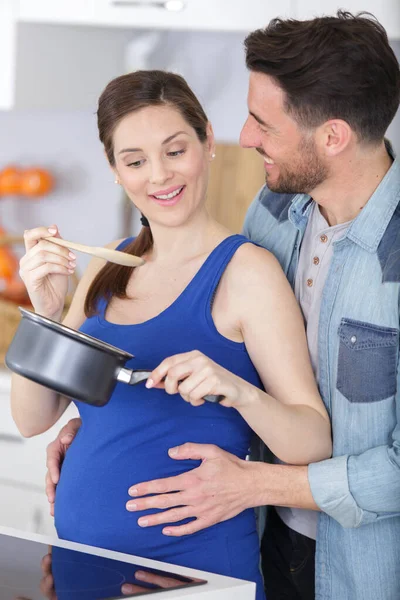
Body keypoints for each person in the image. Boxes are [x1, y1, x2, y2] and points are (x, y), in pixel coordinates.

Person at [46, 11, 400, 600]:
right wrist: (119, 424)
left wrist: (258, 484)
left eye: (263, 122)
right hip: (261, 543)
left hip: (361, 566)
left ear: (332, 137)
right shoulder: (275, 211)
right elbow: (235, 353)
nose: (247, 136)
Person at [11, 70, 332, 600]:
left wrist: (240, 390)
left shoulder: (247, 272)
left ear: (207, 141)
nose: (159, 176)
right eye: (135, 161)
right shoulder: (105, 267)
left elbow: (313, 441)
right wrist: (46, 311)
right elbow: (32, 419)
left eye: (174, 150)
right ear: (116, 171)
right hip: (80, 562)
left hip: (192, 573)